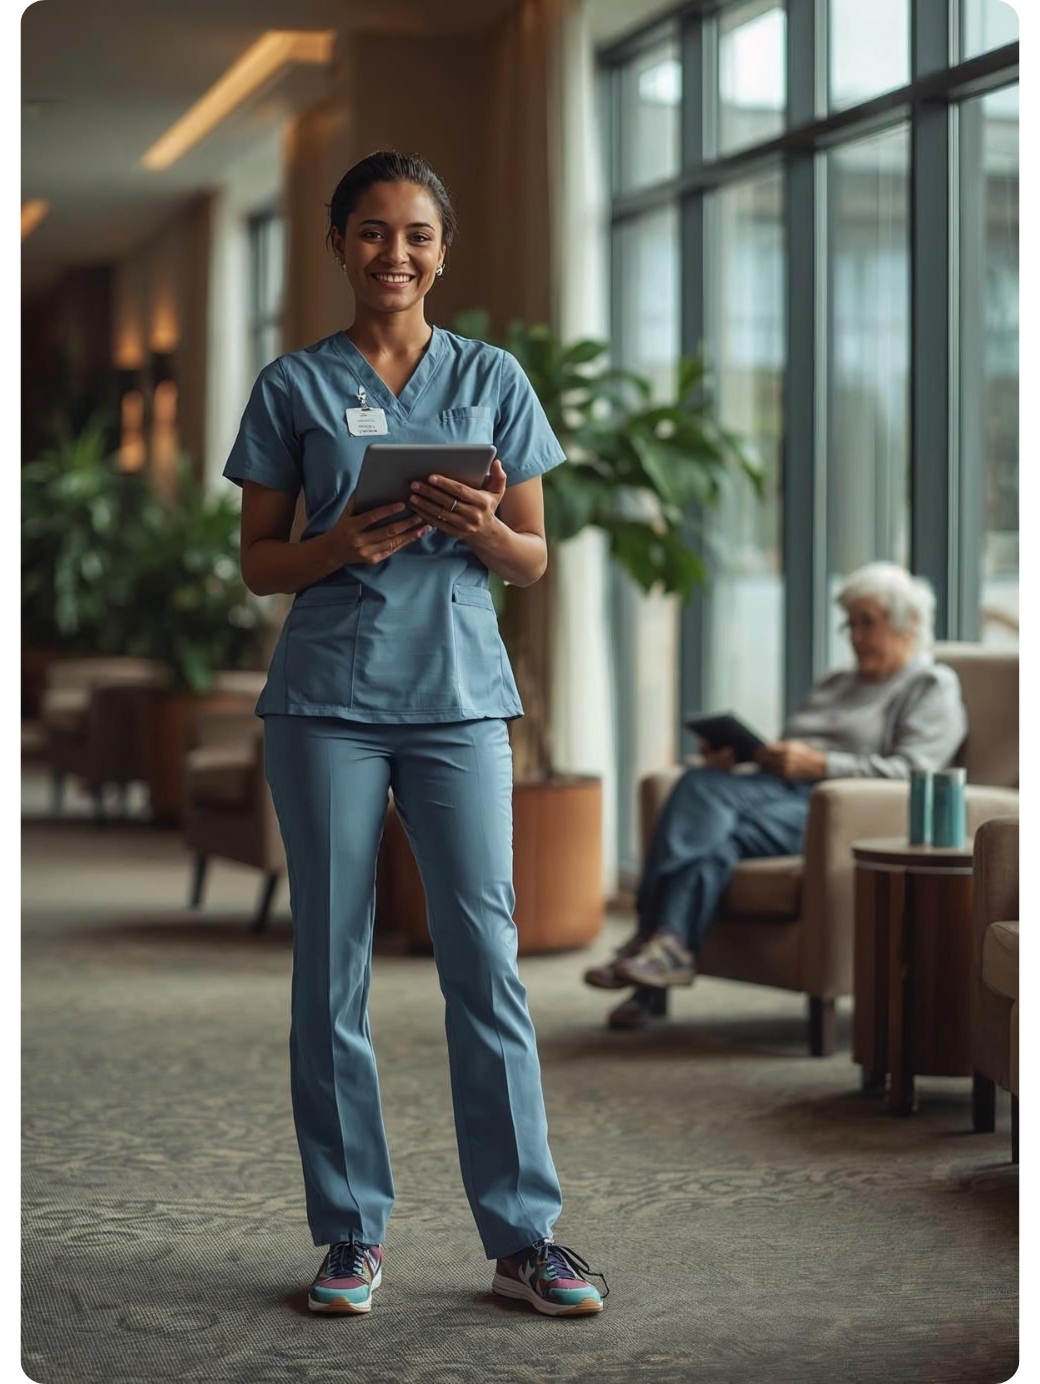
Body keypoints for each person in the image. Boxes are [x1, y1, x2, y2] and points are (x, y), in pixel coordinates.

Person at [223, 150, 607, 1317]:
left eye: (418, 236)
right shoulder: (292, 386)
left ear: (443, 251)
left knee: (484, 962)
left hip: (456, 702)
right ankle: (349, 1234)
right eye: (374, 232)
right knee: (329, 964)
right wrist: (340, 544)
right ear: (340, 246)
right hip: (327, 701)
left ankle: (523, 1236)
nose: (397, 253)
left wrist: (484, 527)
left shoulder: (493, 379)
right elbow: (256, 563)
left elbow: (534, 557)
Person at [585, 562, 968, 1030]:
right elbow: (789, 748)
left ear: (907, 625)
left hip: (835, 807)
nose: (855, 636)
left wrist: (822, 765)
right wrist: (745, 759)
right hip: (773, 791)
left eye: (868, 622)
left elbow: (916, 770)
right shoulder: (836, 683)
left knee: (703, 801)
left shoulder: (930, 685)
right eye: (850, 623)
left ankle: (647, 940)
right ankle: (662, 956)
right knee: (709, 816)